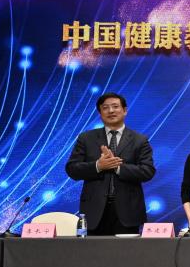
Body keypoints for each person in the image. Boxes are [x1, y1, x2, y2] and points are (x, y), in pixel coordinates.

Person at [65, 92, 155, 235]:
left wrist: (118, 167)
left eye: (115, 106)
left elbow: (147, 171)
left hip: (128, 212)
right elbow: (72, 169)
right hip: (94, 210)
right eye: (105, 108)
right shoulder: (86, 138)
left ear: (125, 110)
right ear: (100, 113)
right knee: (94, 250)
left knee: (126, 250)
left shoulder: (140, 140)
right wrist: (98, 166)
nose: (111, 111)